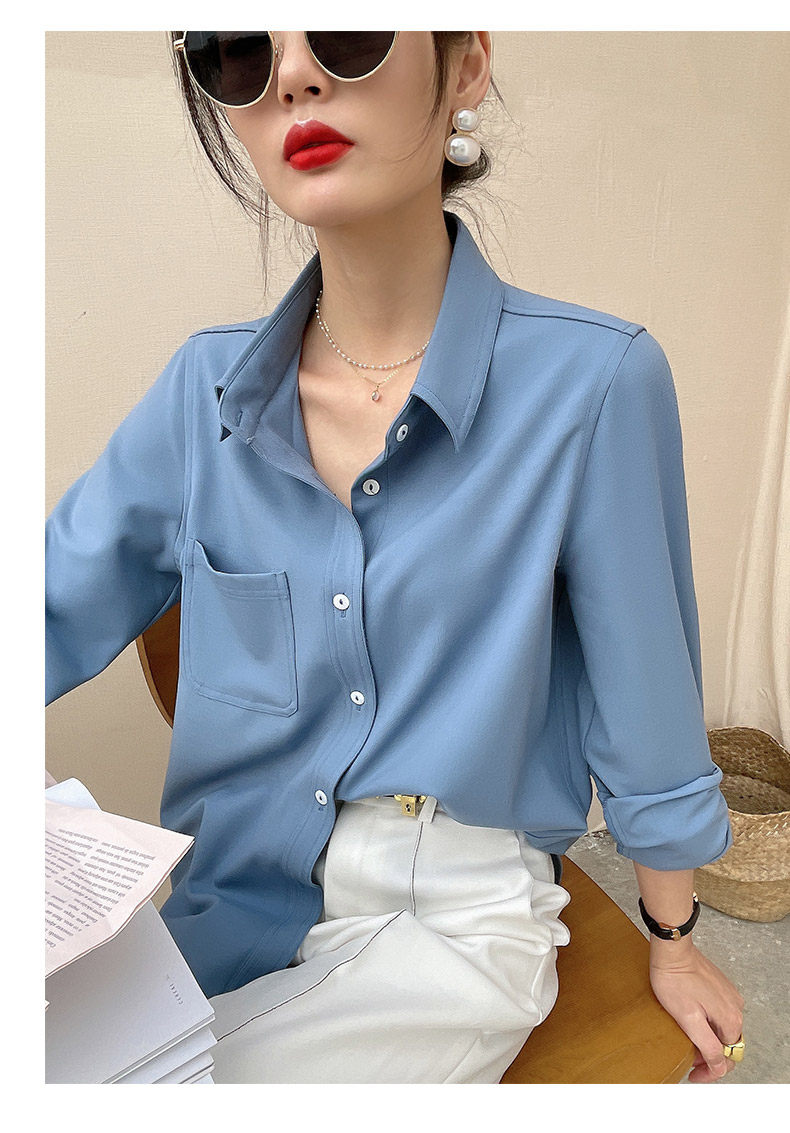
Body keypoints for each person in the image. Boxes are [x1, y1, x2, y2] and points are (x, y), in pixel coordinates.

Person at [45, 31, 746, 1083]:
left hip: (453, 920)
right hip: (226, 903)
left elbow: (644, 697)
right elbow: (47, 606)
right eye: (237, 53)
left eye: (350, 32)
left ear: (464, 65)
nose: (293, 76)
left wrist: (673, 938)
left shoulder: (593, 383)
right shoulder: (204, 394)